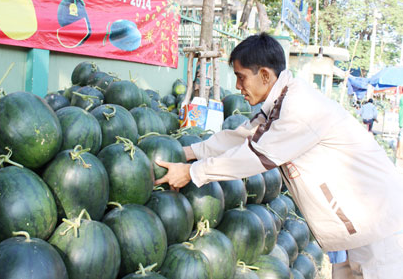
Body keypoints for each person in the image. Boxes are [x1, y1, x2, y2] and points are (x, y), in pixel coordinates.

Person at [155, 33, 403, 279]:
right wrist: (186, 153)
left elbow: (255, 157)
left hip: (378, 230)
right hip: (360, 229)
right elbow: (241, 136)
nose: (238, 87)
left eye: (241, 78)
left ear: (264, 74)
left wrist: (192, 172)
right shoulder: (280, 103)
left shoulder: (299, 107)